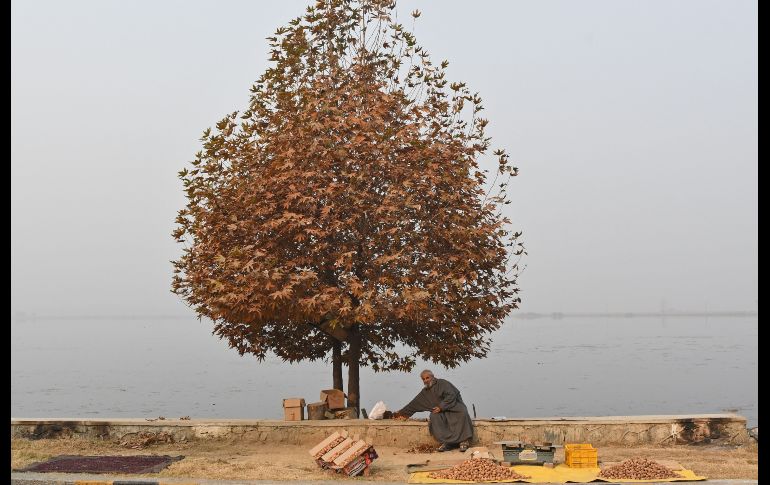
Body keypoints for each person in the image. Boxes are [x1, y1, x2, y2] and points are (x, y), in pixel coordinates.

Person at [394, 369, 474, 452]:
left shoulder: (443, 383)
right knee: (434, 416)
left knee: (462, 412)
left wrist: (441, 407)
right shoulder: (425, 392)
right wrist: (401, 413)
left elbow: (451, 395)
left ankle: (464, 441)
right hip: (440, 411)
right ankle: (448, 442)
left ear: (432, 377)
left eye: (427, 378)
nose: (425, 380)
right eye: (423, 379)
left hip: (454, 407)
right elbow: (415, 403)